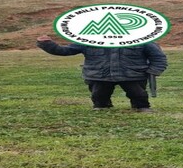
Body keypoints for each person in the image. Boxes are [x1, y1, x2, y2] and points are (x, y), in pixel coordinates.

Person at [36, 35, 168, 112]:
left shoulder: (142, 40)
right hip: (98, 75)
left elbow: (158, 57)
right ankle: (101, 108)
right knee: (98, 95)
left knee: (138, 94)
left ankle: (142, 108)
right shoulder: (88, 40)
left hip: (132, 75)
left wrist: (154, 70)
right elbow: (64, 51)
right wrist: (47, 44)